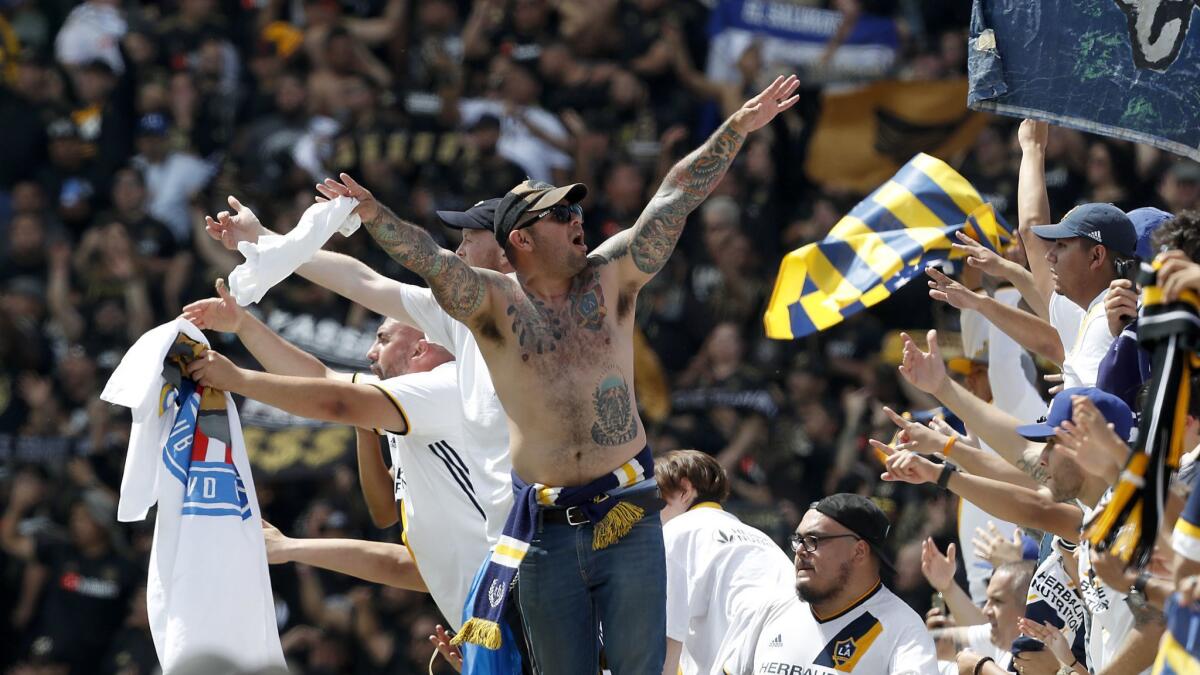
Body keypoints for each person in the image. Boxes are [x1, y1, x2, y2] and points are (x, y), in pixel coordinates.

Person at [310, 75, 800, 672]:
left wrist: (736, 129)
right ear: (521, 237)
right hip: (542, 527)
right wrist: (372, 213)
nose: (578, 218)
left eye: (575, 208)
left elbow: (674, 197)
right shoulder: (492, 304)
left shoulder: (612, 277)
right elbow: (423, 258)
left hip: (626, 510)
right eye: (560, 213)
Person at [182, 291, 494, 633]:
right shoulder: (409, 410)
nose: (370, 352)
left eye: (383, 339)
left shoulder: (441, 386)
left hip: (512, 597)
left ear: (420, 350)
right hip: (488, 614)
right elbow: (319, 378)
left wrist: (238, 380)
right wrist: (243, 324)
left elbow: (335, 403)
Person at [719, 494, 939, 675]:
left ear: (859, 551)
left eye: (814, 540)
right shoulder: (771, 608)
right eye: (798, 540)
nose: (800, 551)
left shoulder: (904, 627)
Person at [656, 450, 793, 675]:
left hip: (744, 653)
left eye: (657, 499)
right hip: (792, 648)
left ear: (684, 489)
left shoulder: (675, 532)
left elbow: (668, 639)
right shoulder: (760, 537)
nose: (653, 513)